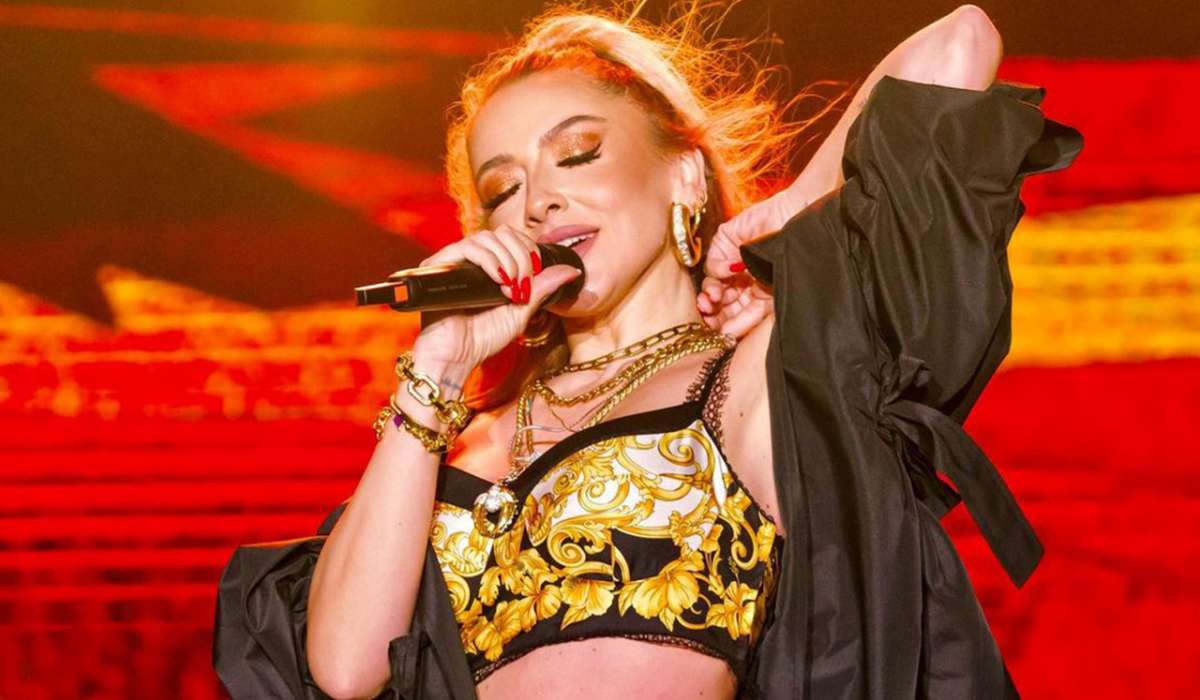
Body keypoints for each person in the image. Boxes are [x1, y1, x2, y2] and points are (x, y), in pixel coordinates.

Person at [213, 3, 1082, 699]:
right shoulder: (450, 447)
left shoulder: (750, 375)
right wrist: (438, 366)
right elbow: (345, 667)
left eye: (578, 154)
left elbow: (960, 43)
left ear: (684, 174)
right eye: (503, 189)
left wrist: (793, 210)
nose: (538, 202)